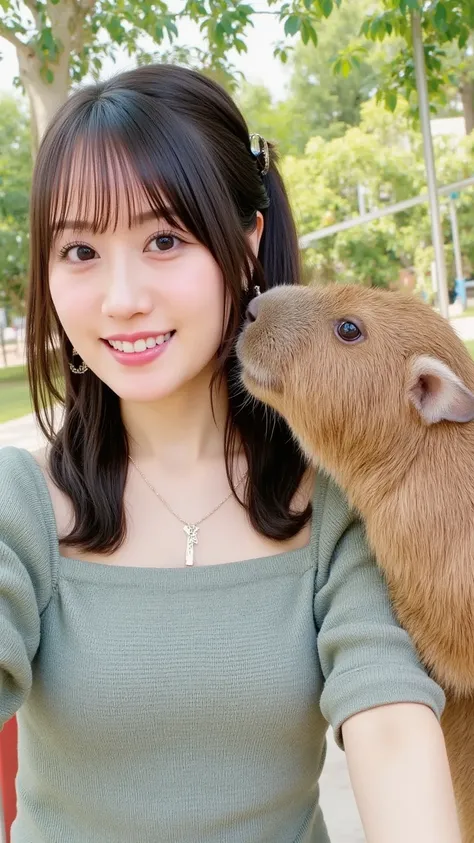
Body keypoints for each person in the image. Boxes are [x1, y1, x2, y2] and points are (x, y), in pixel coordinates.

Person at [0, 64, 460, 843]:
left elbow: (392, 730)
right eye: (80, 251)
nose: (121, 297)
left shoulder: (336, 512)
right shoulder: (22, 504)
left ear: (246, 242)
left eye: (165, 239)